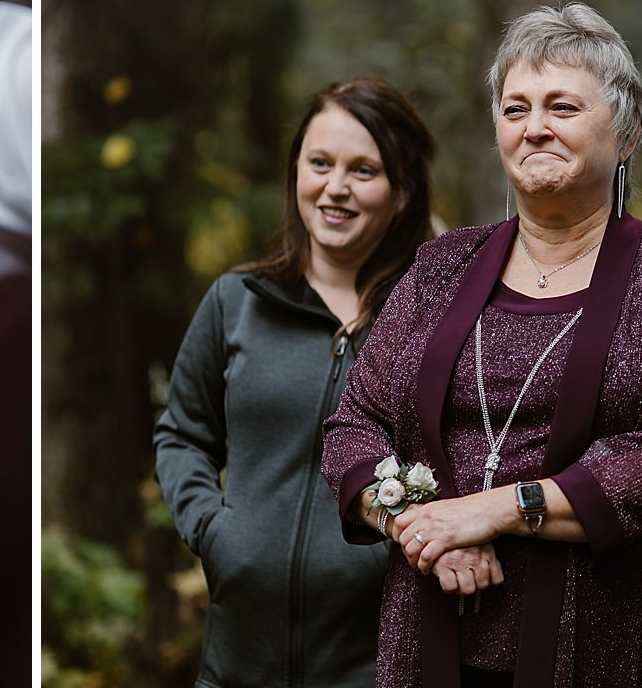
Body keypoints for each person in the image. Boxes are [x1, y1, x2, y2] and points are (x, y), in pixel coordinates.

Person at [321, 2, 642, 687]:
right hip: (430, 642)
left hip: (603, 652)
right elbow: (351, 426)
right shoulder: (438, 268)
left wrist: (493, 512)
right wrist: (417, 527)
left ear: (626, 134)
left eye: (562, 108)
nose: (535, 128)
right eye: (515, 110)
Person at [153, 77, 438, 688]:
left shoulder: (430, 324)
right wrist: (216, 533)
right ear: (296, 174)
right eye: (320, 163)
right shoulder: (238, 302)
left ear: (402, 190)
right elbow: (182, 435)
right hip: (236, 663)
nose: (335, 188)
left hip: (374, 664)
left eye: (364, 170)